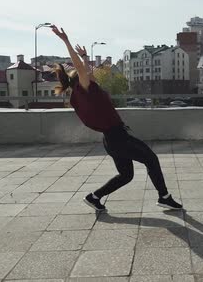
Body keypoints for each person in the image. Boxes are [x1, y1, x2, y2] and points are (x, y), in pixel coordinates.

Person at [50, 25, 183, 212]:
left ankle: (94, 197)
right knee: (151, 159)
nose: (90, 72)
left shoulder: (87, 91)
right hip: (118, 137)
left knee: (126, 175)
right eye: (86, 73)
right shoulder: (85, 89)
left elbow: (85, 70)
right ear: (80, 80)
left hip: (111, 139)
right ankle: (164, 196)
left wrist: (86, 57)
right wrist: (66, 40)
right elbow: (81, 69)